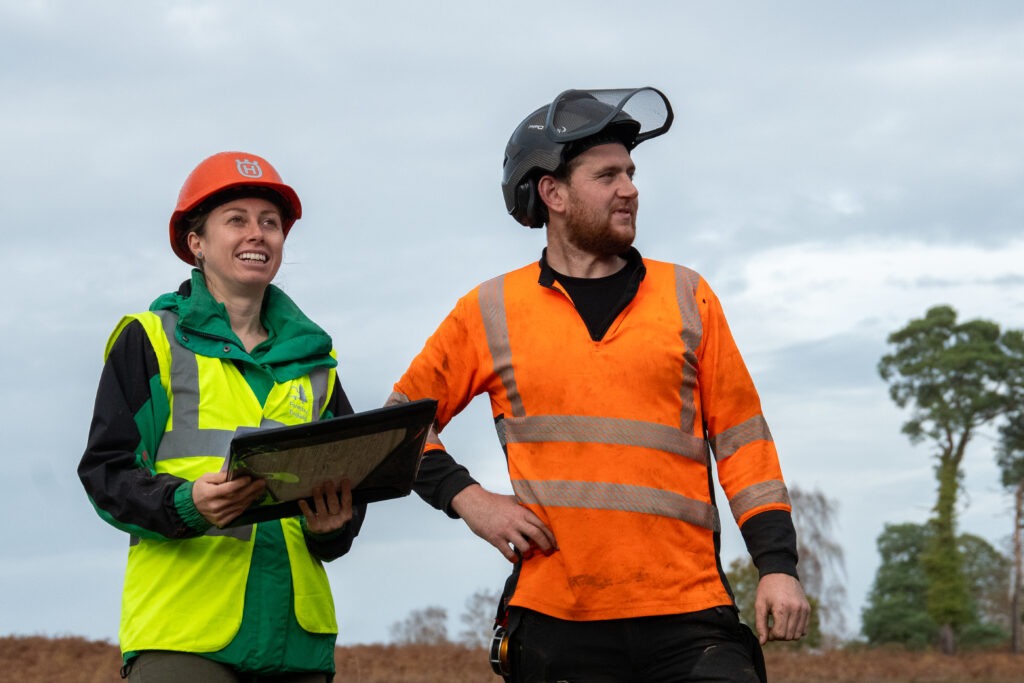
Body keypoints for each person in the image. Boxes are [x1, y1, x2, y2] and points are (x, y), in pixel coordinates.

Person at [388, 88, 810, 682]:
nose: (630, 188)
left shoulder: (689, 297)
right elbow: (399, 424)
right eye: (607, 174)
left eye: (631, 173)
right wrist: (470, 500)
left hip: (690, 617)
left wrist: (777, 565)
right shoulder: (490, 310)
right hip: (555, 621)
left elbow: (745, 446)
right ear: (553, 193)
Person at [79, 151, 365, 682]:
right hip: (184, 639)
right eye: (236, 220)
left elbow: (348, 489)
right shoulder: (151, 341)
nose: (257, 234)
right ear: (196, 243)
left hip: (296, 645)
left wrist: (333, 526)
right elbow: (106, 474)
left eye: (270, 223)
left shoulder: (316, 362)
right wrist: (187, 504)